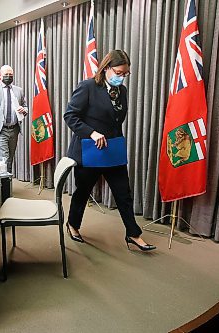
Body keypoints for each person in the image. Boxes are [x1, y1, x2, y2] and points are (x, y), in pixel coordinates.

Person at [63, 50, 156, 251]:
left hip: (113, 150)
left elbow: (115, 121)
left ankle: (133, 234)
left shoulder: (121, 91)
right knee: (83, 191)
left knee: (124, 193)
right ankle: (72, 224)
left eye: (125, 74)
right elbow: (70, 116)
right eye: (119, 72)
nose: (122, 77)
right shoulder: (87, 87)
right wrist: (92, 133)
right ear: (106, 68)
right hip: (89, 150)